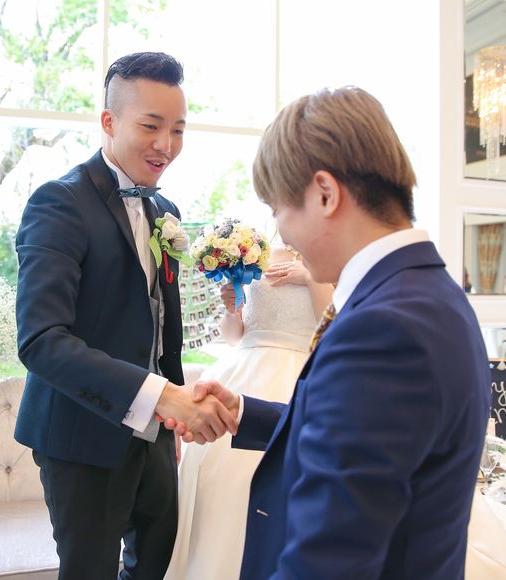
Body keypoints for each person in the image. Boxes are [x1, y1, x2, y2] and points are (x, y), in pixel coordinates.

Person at [173, 86, 491, 579]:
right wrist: (245, 414)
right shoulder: (426, 293)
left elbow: (331, 556)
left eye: (278, 210)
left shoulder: (384, 329)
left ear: (325, 193)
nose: (281, 233)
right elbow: (361, 434)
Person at [14, 52, 236, 580]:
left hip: (155, 432)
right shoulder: (59, 203)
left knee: (156, 564)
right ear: (109, 122)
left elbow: (158, 326)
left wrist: (172, 415)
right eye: (151, 126)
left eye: (178, 129)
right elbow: (41, 340)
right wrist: (163, 396)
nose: (166, 145)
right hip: (82, 435)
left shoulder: (166, 212)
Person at [165, 244, 333, 580]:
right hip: (242, 369)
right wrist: (233, 308)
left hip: (295, 372)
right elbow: (235, 336)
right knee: (215, 476)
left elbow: (329, 327)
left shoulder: (327, 256)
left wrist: (310, 277)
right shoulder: (257, 252)